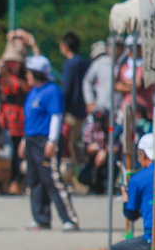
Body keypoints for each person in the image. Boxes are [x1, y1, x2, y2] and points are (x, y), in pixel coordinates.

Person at [21, 55, 79, 231]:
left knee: (52, 179)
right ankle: (41, 218)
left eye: (30, 73)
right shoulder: (32, 92)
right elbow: (30, 118)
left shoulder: (52, 91)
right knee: (34, 179)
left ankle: (69, 219)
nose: (27, 76)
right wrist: (24, 140)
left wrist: (52, 140)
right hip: (31, 139)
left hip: (45, 139)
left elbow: (56, 116)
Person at [0, 42, 29, 194]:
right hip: (7, 116)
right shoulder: (2, 76)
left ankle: (19, 180)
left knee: (19, 151)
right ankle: (7, 181)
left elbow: (25, 89)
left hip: (20, 116)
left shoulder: (25, 77)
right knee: (8, 150)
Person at [59, 31, 89, 173]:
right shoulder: (85, 62)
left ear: (65, 46)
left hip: (71, 111)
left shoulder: (69, 64)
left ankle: (75, 176)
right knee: (78, 143)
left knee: (68, 144)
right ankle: (83, 172)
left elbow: (66, 88)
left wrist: (61, 108)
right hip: (84, 109)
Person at [83, 40, 115, 115]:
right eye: (97, 56)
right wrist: (90, 101)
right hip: (98, 107)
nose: (100, 58)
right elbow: (87, 82)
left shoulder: (114, 64)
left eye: (103, 54)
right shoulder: (95, 66)